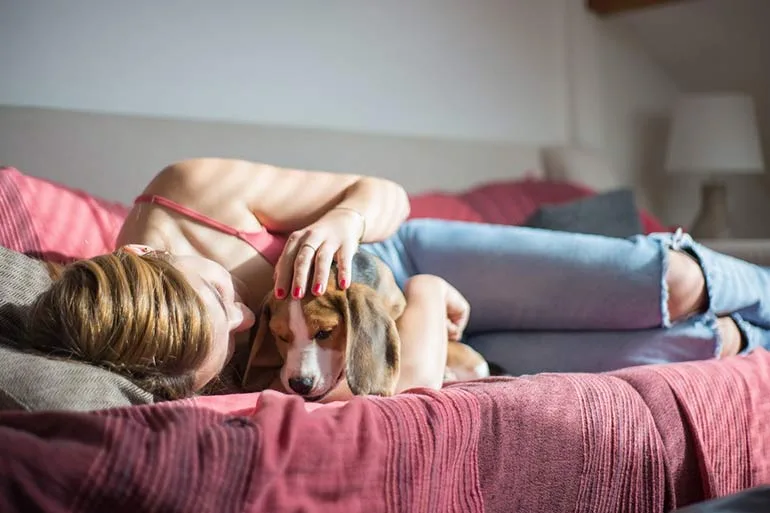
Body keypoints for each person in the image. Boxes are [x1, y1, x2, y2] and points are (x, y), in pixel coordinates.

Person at [24, 158, 770, 401]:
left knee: (668, 286)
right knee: (675, 356)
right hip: (390, 341)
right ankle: (743, 335)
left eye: (224, 298)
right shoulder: (162, 352)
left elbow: (388, 195)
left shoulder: (191, 193)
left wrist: (343, 222)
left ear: (155, 258)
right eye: (232, 338)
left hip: (402, 257)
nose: (247, 318)